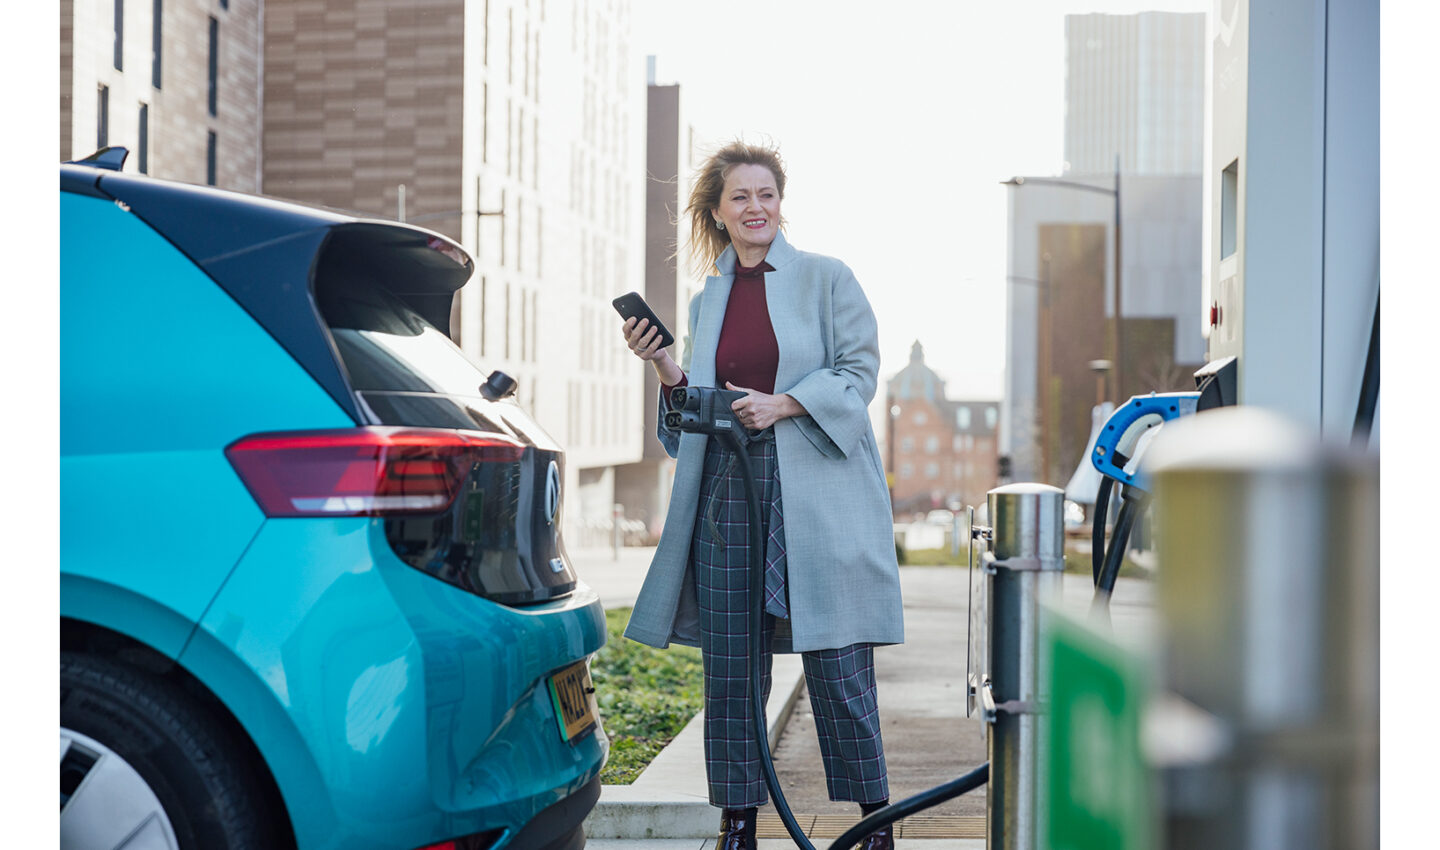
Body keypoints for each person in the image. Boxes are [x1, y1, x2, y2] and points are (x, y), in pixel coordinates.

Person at [619, 140, 904, 850]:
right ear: (717, 213)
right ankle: (738, 822)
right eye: (740, 197)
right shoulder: (707, 298)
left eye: (766, 194)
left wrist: (785, 404)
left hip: (817, 493)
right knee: (732, 669)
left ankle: (873, 823)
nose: (756, 208)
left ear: (781, 203)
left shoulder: (826, 278)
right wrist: (662, 363)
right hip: (728, 494)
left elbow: (860, 372)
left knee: (839, 665)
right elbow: (692, 420)